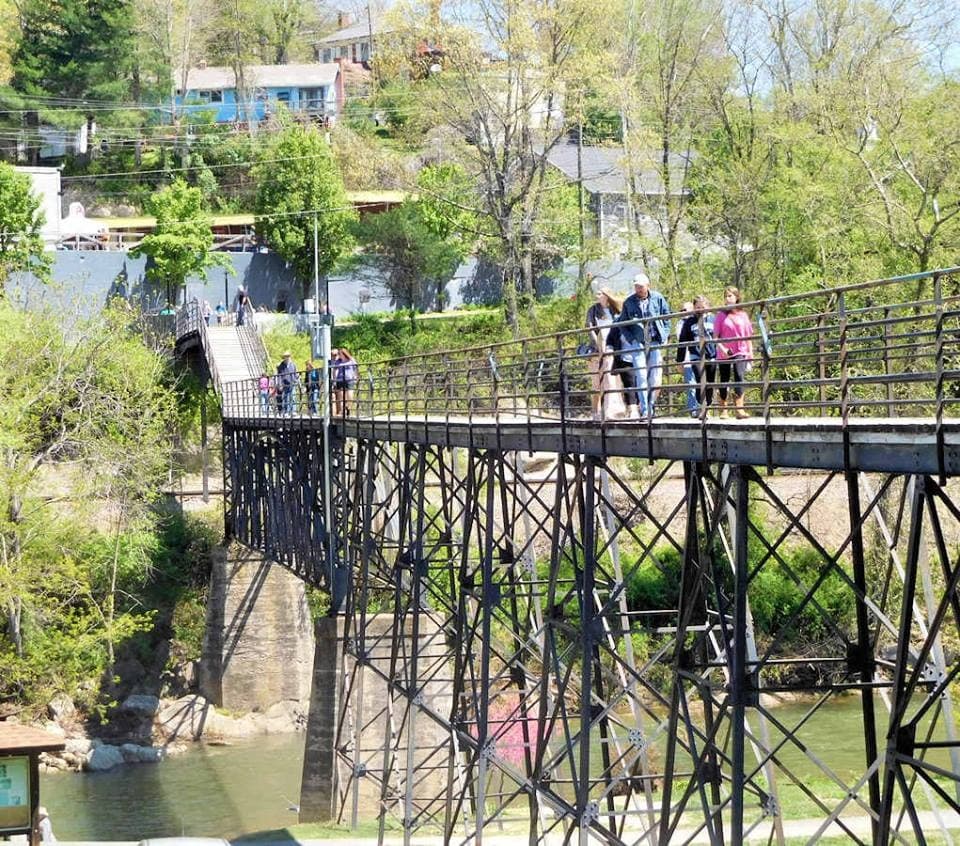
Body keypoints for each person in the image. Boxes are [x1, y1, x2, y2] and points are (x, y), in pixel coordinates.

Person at [615, 272, 671, 419]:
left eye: (640, 286)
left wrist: (664, 335)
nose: (638, 289)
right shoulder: (629, 302)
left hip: (654, 341)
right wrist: (631, 339)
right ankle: (645, 410)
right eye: (636, 286)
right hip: (638, 343)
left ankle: (650, 404)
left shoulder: (658, 298)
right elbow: (622, 324)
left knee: (655, 376)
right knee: (640, 374)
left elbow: (667, 317)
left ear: (647, 286)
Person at [585, 287, 626, 420]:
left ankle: (613, 409)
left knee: (613, 379)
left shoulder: (615, 310)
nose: (596, 296)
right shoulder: (593, 310)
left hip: (613, 347)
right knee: (597, 383)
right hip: (598, 349)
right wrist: (597, 343)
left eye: (599, 293)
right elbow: (590, 328)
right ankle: (595, 411)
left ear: (606, 295)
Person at [715, 286, 754, 419]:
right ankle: (724, 409)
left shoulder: (743, 315)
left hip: (740, 350)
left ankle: (739, 408)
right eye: (726, 296)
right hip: (725, 351)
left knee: (739, 375)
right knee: (724, 379)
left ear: (737, 297)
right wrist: (723, 349)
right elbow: (715, 337)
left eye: (730, 296)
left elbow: (748, 336)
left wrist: (750, 355)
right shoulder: (721, 315)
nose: (728, 298)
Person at [676, 295, 717, 418]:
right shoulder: (689, 322)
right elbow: (682, 342)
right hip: (696, 356)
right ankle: (701, 406)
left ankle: (707, 406)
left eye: (702, 307)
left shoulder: (713, 320)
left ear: (708, 307)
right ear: (694, 308)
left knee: (710, 382)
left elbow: (719, 337)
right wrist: (680, 361)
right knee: (700, 380)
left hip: (711, 355)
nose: (700, 309)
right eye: (697, 307)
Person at [332, 348, 359, 417]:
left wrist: (356, 376)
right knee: (341, 397)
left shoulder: (351, 360)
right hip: (340, 379)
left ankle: (348, 407)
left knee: (350, 395)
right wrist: (335, 380)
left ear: (343, 354)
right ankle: (342, 411)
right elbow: (334, 370)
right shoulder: (338, 361)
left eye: (339, 354)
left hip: (349, 379)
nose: (338, 355)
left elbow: (355, 368)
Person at [277, 350, 299, 415]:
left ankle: (293, 411)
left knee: (293, 397)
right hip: (285, 384)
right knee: (286, 398)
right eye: (285, 357)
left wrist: (296, 380)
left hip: (292, 382)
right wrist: (280, 384)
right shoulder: (281, 366)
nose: (286, 358)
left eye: (287, 356)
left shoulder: (293, 364)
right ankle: (286, 411)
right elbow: (279, 376)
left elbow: (295, 373)